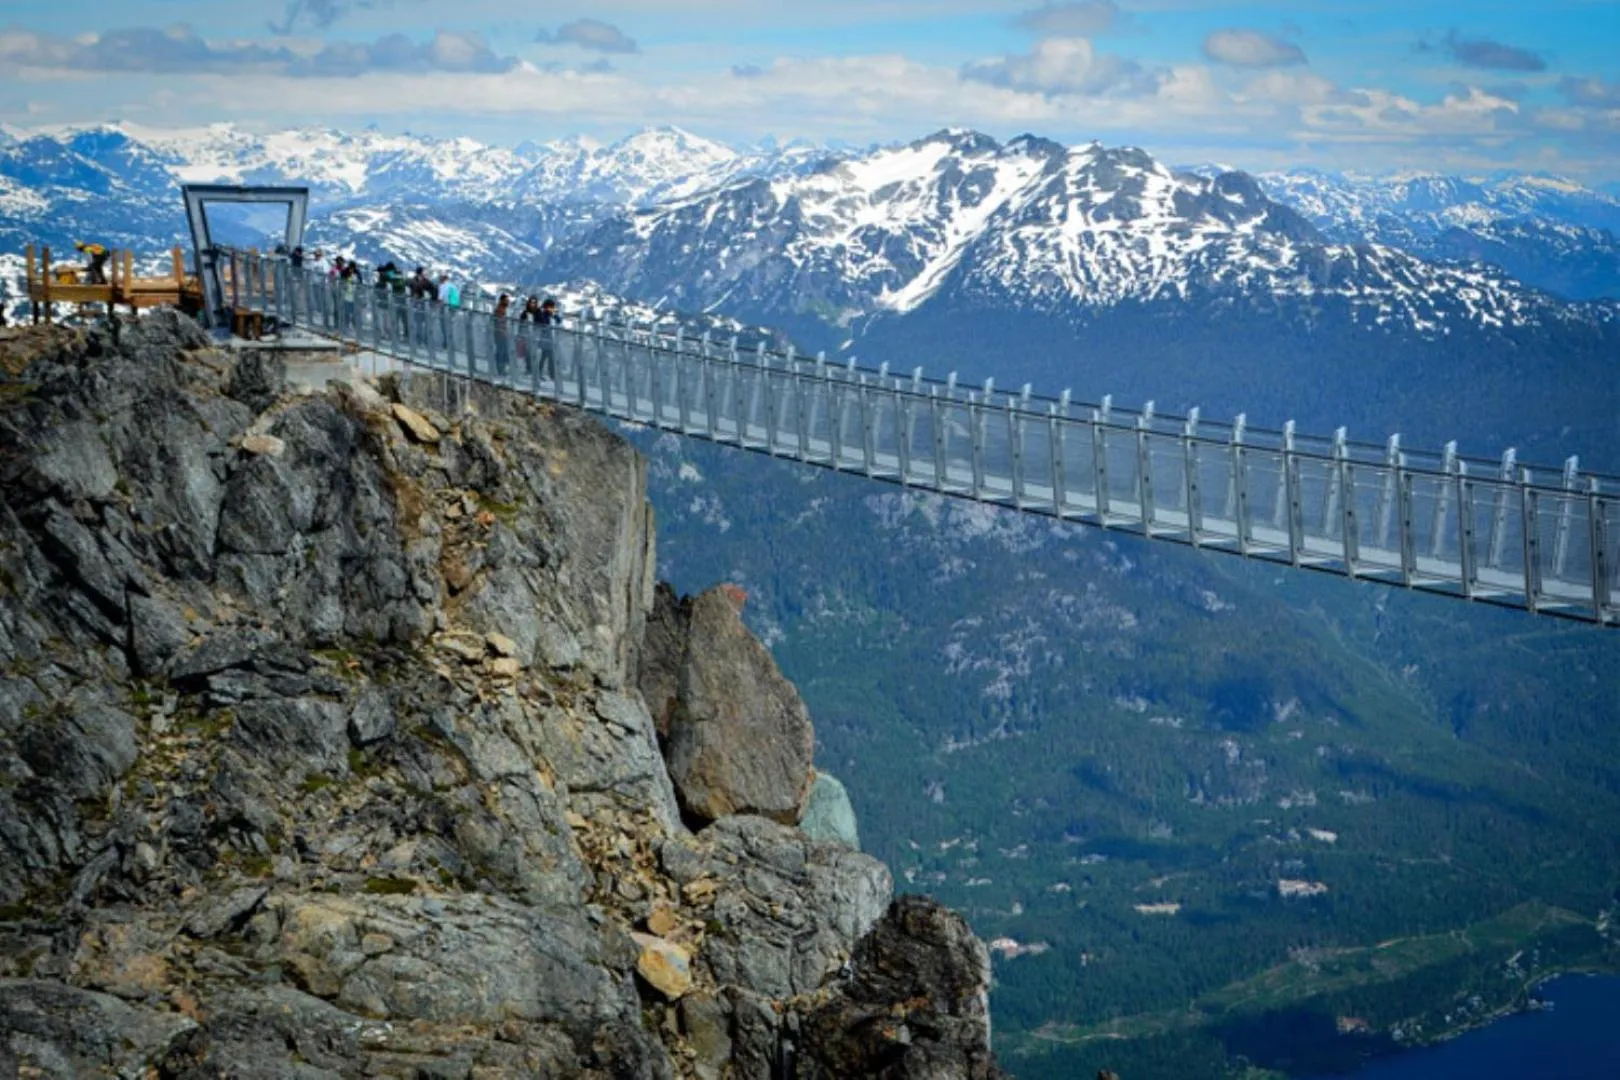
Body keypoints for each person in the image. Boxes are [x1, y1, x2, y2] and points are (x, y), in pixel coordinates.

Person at [492, 293, 512, 375]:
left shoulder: (502, 309)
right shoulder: (499, 310)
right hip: (500, 335)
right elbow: (499, 323)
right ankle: (500, 370)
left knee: (503, 351)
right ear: (502, 300)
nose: (508, 302)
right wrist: (503, 333)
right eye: (506, 300)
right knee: (501, 352)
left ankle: (501, 369)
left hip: (502, 334)